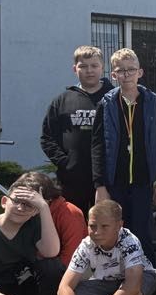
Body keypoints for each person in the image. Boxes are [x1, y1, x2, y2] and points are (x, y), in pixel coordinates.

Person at [90, 47, 156, 295]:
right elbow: (97, 145)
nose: (126, 75)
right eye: (121, 71)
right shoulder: (106, 103)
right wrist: (100, 185)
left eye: (131, 70)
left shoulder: (152, 101)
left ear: (140, 72)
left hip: (143, 185)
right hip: (115, 183)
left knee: (143, 240)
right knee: (113, 240)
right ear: (113, 74)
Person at [57, 199, 156, 295]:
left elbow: (132, 285)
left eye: (104, 226)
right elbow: (64, 287)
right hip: (106, 281)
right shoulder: (86, 245)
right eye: (92, 226)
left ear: (119, 225)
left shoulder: (129, 241)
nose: (97, 232)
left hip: (142, 277)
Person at [41, 45, 113, 216]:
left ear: (102, 67)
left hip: (109, 179)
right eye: (83, 66)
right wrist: (66, 163)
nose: (89, 70)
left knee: (105, 225)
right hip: (72, 180)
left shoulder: (114, 98)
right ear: (75, 69)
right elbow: (47, 137)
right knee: (72, 224)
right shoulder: (62, 101)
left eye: (94, 66)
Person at [27, 171, 86, 267]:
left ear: (48, 197)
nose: (27, 204)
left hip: (69, 267)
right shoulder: (21, 210)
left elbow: (72, 256)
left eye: (33, 199)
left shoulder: (70, 213)